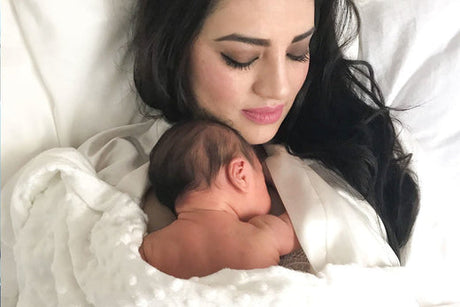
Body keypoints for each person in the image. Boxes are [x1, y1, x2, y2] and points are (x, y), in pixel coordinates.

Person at [131, 0, 419, 260]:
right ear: (174, 47)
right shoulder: (121, 177)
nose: (279, 88)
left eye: (297, 53)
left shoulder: (371, 143)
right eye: (240, 57)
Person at [139, 120, 300, 279]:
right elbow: (306, 220)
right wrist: (278, 178)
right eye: (262, 177)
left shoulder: (151, 247)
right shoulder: (264, 232)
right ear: (240, 174)